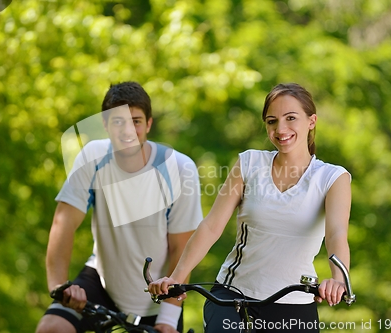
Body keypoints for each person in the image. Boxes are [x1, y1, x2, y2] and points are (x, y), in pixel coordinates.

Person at [148, 83, 352, 332]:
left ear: (311, 121)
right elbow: (212, 226)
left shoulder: (333, 178)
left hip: (293, 304)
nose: (280, 129)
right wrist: (176, 278)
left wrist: (338, 280)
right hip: (232, 297)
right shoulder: (250, 162)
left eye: (291, 118)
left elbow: (336, 234)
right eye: (271, 121)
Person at [36, 81, 203, 333]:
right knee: (52, 328)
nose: (127, 130)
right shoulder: (93, 157)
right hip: (101, 282)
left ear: (148, 124)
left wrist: (168, 319)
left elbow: (182, 247)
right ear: (105, 124)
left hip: (159, 294)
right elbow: (64, 222)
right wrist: (59, 287)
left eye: (135, 121)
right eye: (117, 121)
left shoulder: (179, 169)